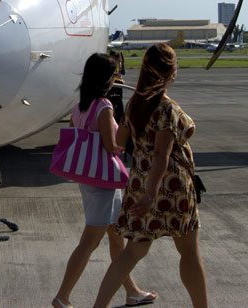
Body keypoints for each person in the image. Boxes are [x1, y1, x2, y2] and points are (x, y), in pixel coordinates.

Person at [92, 43, 208, 308]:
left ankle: (99, 305)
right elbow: (161, 154)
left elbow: (119, 141)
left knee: (133, 250)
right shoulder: (167, 109)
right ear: (171, 72)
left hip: (139, 181)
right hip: (171, 188)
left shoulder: (135, 104)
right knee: (189, 252)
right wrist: (152, 195)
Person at [52, 53, 156, 308]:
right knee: (89, 242)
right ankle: (62, 296)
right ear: (107, 79)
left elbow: (76, 135)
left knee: (116, 238)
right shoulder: (103, 106)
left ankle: (132, 291)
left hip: (88, 179)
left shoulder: (80, 106)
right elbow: (112, 145)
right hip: (104, 183)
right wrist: (126, 134)